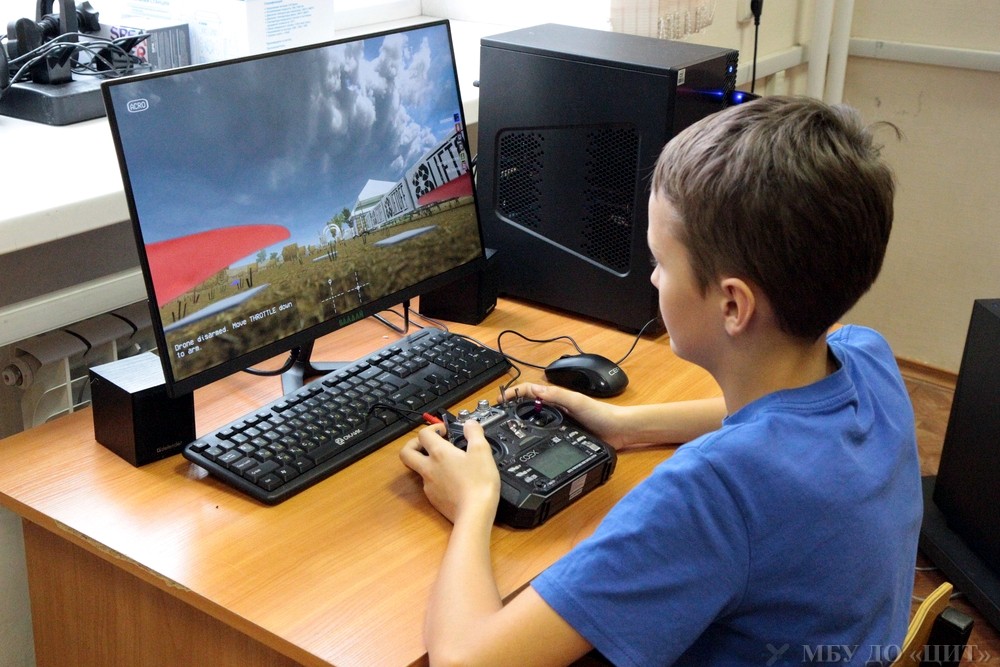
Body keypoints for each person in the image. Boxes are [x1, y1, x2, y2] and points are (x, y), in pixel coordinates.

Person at [399, 95, 922, 666]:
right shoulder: (868, 357)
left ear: (733, 305)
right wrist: (627, 424)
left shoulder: (712, 492)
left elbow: (464, 660)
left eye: (661, 262)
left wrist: (475, 500)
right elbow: (782, 420)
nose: (652, 279)